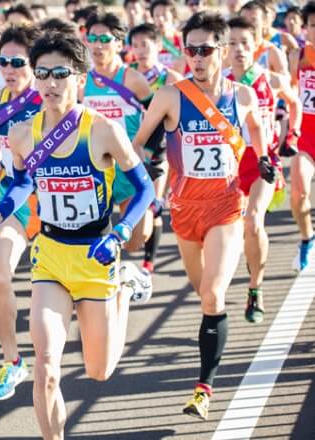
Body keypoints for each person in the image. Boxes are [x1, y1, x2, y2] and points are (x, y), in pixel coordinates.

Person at [0, 31, 154, 439]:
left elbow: (146, 189)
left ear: (80, 78)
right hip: (51, 255)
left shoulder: (104, 130)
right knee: (46, 367)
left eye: (60, 73)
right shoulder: (23, 133)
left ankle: (125, 287)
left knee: (99, 371)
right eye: (42, 74)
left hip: (97, 255)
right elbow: (21, 184)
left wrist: (122, 232)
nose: (51, 83)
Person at [132, 12, 275, 420]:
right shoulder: (169, 96)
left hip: (225, 207)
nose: (196, 57)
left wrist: (264, 160)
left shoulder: (242, 95)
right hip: (184, 209)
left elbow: (258, 132)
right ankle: (222, 320)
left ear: (223, 50)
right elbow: (138, 146)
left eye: (205, 50)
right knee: (202, 293)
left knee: (212, 294)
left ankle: (204, 389)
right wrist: (146, 173)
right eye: (189, 49)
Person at [226, 17, 302, 322]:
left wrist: (291, 134)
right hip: (227, 167)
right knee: (232, 232)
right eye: (232, 43)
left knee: (254, 220)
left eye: (245, 43)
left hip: (262, 164)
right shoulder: (219, 85)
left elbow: (295, 104)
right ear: (224, 48)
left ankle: (255, 289)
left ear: (257, 45)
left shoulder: (271, 80)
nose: (239, 50)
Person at [0, 24, 43, 401]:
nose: (8, 68)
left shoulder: (52, 99)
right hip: (16, 201)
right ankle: (12, 359)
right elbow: (2, 148)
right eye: (2, 60)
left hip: (59, 204)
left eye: (17, 62)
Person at [83, 13, 154, 276]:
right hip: (95, 168)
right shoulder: (82, 82)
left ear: (119, 43)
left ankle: (119, 262)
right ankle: (106, 276)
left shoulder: (133, 79)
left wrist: (148, 152)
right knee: (90, 232)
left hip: (128, 165)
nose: (97, 45)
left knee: (137, 240)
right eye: (92, 39)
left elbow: (157, 117)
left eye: (104, 39)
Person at [128, 23, 184, 274]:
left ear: (159, 46)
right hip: (130, 147)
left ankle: (149, 262)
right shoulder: (127, 75)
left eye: (145, 45)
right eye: (135, 45)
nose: (140, 51)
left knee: (154, 203)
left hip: (160, 148)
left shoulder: (170, 78)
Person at [287, 0, 315, 271]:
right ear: (305, 29)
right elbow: (292, 95)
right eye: (313, 26)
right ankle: (307, 238)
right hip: (307, 141)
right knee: (298, 191)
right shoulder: (298, 57)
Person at [240, 1, 289, 76]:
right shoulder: (232, 51)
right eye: (244, 20)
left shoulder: (273, 52)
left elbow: (286, 85)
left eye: (254, 20)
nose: (248, 24)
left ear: (264, 22)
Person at [150, 0, 187, 73]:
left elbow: (183, 66)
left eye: (164, 15)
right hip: (157, 82)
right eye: (157, 15)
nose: (160, 19)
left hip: (180, 80)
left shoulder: (182, 39)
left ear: (173, 16)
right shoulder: (150, 41)